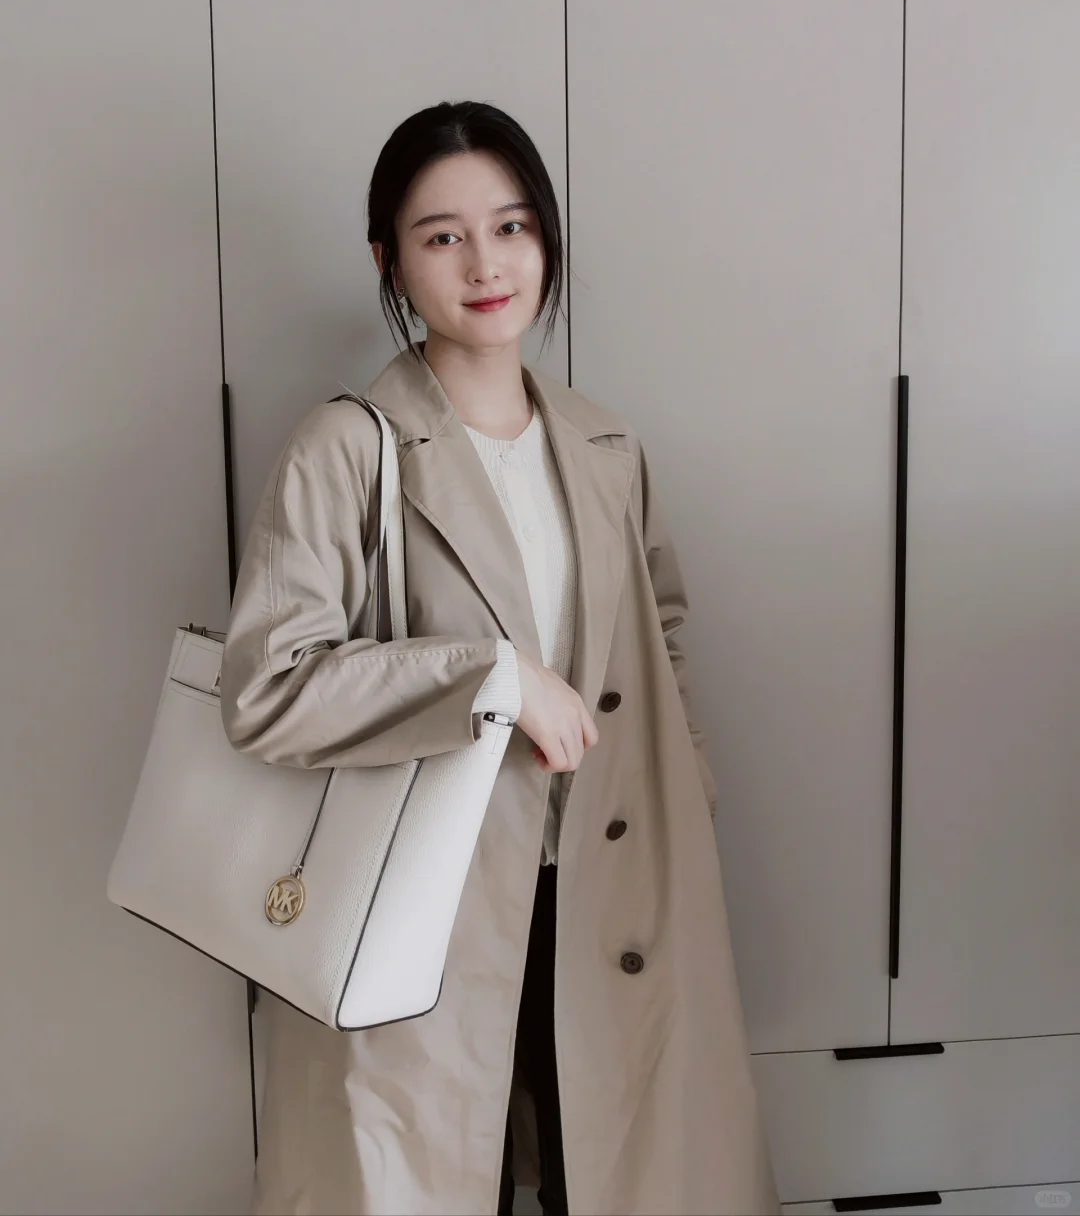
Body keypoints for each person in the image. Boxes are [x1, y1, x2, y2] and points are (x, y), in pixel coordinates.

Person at [219, 100, 780, 1216]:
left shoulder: (605, 445)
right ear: (388, 259)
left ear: (547, 239)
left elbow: (660, 640)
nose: (485, 264)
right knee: (439, 1174)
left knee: (615, 1176)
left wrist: (690, 787)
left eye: (512, 227)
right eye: (442, 236)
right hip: (426, 912)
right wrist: (491, 678)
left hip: (613, 896)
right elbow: (269, 688)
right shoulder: (348, 448)